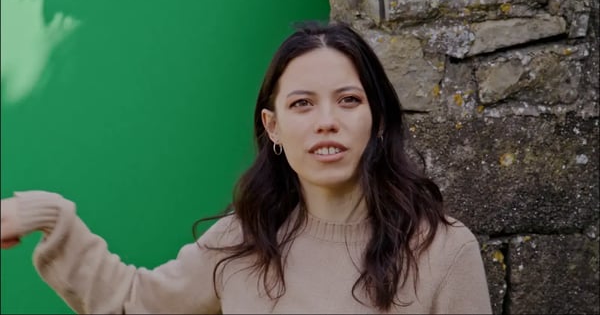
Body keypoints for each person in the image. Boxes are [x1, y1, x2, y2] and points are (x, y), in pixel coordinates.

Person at [0, 22, 492, 314]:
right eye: (302, 104)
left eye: (347, 100)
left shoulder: (443, 253)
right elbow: (132, 303)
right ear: (272, 127)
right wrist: (52, 218)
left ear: (377, 119)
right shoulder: (243, 241)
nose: (326, 122)